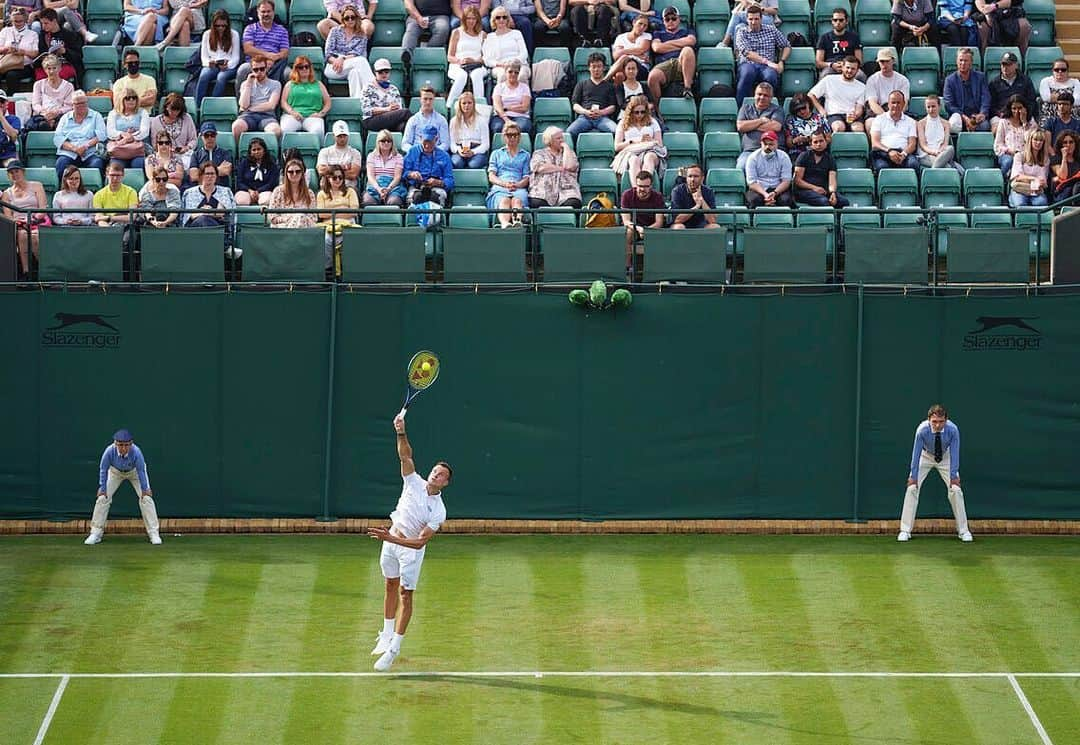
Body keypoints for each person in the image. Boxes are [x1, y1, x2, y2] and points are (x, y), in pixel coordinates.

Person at [366, 413, 451, 673]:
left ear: (446, 483)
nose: (435, 475)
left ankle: (394, 649)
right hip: (391, 540)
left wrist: (388, 537)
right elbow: (405, 456)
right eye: (435, 471)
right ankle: (386, 634)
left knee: (405, 593)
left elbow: (419, 544)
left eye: (441, 475)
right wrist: (400, 432)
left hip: (408, 551)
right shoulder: (412, 481)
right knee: (389, 584)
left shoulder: (439, 511)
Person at [897, 404, 972, 543]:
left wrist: (954, 475)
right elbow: (916, 453)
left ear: (946, 420)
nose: (938, 425)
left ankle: (964, 531)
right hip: (925, 456)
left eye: (941, 421)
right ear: (929, 420)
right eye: (934, 422)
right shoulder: (922, 430)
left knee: (955, 490)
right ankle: (905, 530)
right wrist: (913, 476)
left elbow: (955, 452)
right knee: (912, 488)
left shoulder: (953, 430)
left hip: (946, 457)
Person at [84, 429, 162, 546]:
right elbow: (103, 469)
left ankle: (153, 533)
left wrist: (145, 489)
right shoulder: (109, 451)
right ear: (115, 444)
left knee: (146, 499)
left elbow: (141, 471)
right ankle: (96, 533)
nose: (124, 448)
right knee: (102, 498)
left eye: (126, 445)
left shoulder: (137, 452)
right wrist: (102, 488)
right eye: (121, 445)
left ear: (131, 444)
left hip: (135, 472)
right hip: (115, 472)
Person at [734, 4, 789, 106]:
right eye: (750, 19)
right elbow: (747, 53)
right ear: (746, 19)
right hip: (748, 63)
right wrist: (769, 63)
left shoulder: (771, 30)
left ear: (761, 18)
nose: (753, 22)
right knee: (747, 74)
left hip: (767, 67)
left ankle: (771, 107)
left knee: (771, 76)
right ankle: (740, 107)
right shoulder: (742, 32)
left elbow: (786, 45)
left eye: (756, 19)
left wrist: (782, 62)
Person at [2, 161, 47, 276]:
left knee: (35, 236)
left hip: (37, 221)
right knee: (22, 235)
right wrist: (19, 223)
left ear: (23, 172)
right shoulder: (7, 194)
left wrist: (32, 220)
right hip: (19, 225)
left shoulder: (37, 185)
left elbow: (42, 208)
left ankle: (44, 270)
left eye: (17, 171)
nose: (14, 174)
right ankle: (27, 272)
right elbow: (8, 216)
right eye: (11, 172)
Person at [53, 90, 106, 181]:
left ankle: (93, 192)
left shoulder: (96, 116)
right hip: (69, 153)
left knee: (97, 164)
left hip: (90, 153)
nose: (81, 106)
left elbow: (101, 136)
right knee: (61, 163)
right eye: (78, 104)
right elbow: (58, 139)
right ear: (72, 105)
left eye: (83, 103)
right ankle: (63, 191)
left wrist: (85, 146)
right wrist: (75, 149)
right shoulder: (65, 118)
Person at [324, 4, 374, 99]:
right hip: (333, 68)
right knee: (361, 61)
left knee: (354, 73)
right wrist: (336, 61)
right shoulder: (335, 31)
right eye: (347, 18)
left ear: (357, 18)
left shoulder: (362, 34)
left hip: (350, 65)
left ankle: (357, 103)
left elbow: (358, 53)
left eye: (353, 17)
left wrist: (342, 58)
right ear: (343, 19)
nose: (350, 20)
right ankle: (375, 91)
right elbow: (328, 53)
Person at [611, 94, 665, 181]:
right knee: (634, 160)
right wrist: (634, 141)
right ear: (631, 111)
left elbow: (660, 144)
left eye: (643, 112)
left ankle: (645, 186)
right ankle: (637, 189)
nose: (640, 115)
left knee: (649, 157)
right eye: (636, 112)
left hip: (650, 150)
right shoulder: (623, 123)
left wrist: (650, 140)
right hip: (631, 151)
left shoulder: (653, 122)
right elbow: (617, 146)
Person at [486, 121, 530, 227]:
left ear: (519, 137)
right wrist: (504, 184)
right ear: (504, 136)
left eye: (515, 135)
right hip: (500, 186)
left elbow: (526, 177)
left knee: (517, 201)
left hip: (518, 186)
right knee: (504, 201)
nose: (513, 138)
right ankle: (505, 223)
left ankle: (517, 221)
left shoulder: (526, 155)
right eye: (509, 135)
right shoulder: (496, 154)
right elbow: (491, 176)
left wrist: (517, 185)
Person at [317, 164, 359, 273]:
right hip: (328, 225)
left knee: (351, 238)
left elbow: (354, 211)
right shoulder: (322, 194)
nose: (338, 180)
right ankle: (329, 268)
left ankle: (349, 269)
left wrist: (332, 212)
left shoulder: (350, 191)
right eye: (334, 177)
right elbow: (321, 214)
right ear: (328, 178)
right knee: (326, 240)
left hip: (348, 223)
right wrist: (342, 210)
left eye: (340, 177)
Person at [808, 56, 867, 134]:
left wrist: (855, 115)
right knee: (839, 127)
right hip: (834, 115)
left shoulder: (862, 87)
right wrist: (821, 110)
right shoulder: (829, 79)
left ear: (857, 70)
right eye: (847, 67)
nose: (849, 71)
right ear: (842, 67)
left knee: (858, 129)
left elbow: (859, 107)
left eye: (853, 69)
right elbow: (811, 95)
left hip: (851, 115)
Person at [647, 6, 695, 101]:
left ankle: (687, 89)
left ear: (679, 19)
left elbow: (691, 41)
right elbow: (657, 48)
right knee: (653, 77)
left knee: (687, 50)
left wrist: (666, 45)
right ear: (663, 21)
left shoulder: (687, 31)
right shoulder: (658, 33)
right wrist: (680, 43)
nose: (671, 21)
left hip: (681, 62)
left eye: (673, 18)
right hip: (664, 64)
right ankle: (658, 111)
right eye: (667, 19)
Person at [619, 168, 664, 266]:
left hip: (652, 229)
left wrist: (646, 230)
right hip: (634, 228)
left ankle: (657, 271)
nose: (642, 189)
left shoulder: (658, 197)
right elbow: (626, 221)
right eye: (639, 186)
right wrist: (639, 229)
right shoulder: (627, 195)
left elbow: (659, 222)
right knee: (628, 232)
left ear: (651, 186)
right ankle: (627, 269)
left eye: (645, 186)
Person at [237, 0, 290, 82]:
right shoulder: (250, 28)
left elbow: (285, 52)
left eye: (269, 11)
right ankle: (242, 95)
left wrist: (274, 58)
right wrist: (267, 56)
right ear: (258, 13)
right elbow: (248, 49)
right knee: (243, 69)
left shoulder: (282, 30)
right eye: (263, 12)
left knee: (289, 74)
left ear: (273, 12)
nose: (266, 14)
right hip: (254, 64)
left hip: (275, 64)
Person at [736, 81, 785, 170]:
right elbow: (740, 127)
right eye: (759, 94)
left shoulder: (777, 109)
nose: (762, 97)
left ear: (771, 98)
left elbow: (775, 127)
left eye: (766, 95)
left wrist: (750, 126)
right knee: (741, 167)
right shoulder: (745, 108)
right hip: (750, 151)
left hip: (773, 150)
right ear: (754, 95)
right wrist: (761, 120)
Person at [232, 54, 283, 140]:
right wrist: (248, 84)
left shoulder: (275, 84)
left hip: (267, 116)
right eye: (256, 70)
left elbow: (271, 105)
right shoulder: (245, 83)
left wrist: (250, 108)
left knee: (276, 131)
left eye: (262, 69)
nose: (259, 72)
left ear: (266, 69)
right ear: (252, 70)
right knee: (236, 127)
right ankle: (238, 152)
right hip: (247, 116)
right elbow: (244, 105)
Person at [528, 125, 581, 208]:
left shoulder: (569, 153)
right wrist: (561, 168)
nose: (562, 140)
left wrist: (566, 148)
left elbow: (570, 166)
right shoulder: (539, 153)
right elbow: (540, 168)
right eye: (558, 138)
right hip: (543, 190)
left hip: (566, 189)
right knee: (536, 202)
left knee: (573, 203)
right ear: (550, 141)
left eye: (562, 138)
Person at [280, 55, 332, 139]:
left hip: (312, 116)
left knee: (318, 131)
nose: (304, 69)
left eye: (306, 66)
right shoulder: (290, 84)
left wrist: (320, 114)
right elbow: (283, 102)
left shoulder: (318, 84)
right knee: (285, 130)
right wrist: (292, 112)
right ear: (296, 69)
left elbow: (328, 102)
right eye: (301, 67)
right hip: (293, 116)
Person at [195, 10, 240, 106]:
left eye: (223, 26)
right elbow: (204, 56)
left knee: (221, 77)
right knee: (204, 75)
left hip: (228, 65)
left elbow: (236, 57)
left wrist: (228, 65)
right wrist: (208, 63)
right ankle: (198, 105)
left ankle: (213, 104)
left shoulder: (234, 34)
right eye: (217, 26)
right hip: (212, 64)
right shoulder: (207, 34)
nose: (221, 28)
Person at [793, 130, 849, 207]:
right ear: (811, 144)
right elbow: (797, 180)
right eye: (815, 142)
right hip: (805, 191)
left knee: (843, 202)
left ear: (826, 142)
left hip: (823, 191)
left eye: (821, 141)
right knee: (824, 201)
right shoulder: (804, 156)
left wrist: (832, 193)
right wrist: (814, 188)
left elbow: (832, 179)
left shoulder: (830, 159)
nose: (819, 144)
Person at [568, 52, 617, 139]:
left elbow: (612, 107)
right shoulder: (581, 84)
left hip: (602, 118)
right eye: (593, 67)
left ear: (604, 68)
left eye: (599, 66)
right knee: (570, 132)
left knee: (616, 131)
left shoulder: (609, 86)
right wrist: (585, 112)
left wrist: (601, 112)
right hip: (585, 117)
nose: (596, 69)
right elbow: (575, 105)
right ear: (589, 68)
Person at [403, 125, 455, 206]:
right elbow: (404, 173)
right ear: (420, 138)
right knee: (416, 198)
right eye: (425, 141)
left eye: (430, 142)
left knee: (436, 197)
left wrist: (439, 182)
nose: (427, 145)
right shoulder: (412, 152)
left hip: (437, 188)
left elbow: (450, 180)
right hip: (416, 187)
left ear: (436, 139)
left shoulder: (444, 156)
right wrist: (411, 174)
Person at [944, 47, 990, 134]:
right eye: (960, 60)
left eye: (966, 61)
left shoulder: (981, 77)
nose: (963, 63)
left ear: (971, 63)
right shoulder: (950, 80)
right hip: (960, 115)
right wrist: (964, 117)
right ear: (957, 61)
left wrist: (982, 114)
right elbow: (949, 104)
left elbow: (986, 98)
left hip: (976, 116)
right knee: (954, 124)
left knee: (984, 126)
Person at [870, 90, 919, 172]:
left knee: (913, 165)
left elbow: (912, 144)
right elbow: (875, 143)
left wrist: (903, 154)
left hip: (904, 153)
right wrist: (889, 151)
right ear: (888, 104)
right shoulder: (879, 119)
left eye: (899, 103)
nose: (896, 105)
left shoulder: (911, 121)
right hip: (883, 153)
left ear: (903, 104)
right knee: (882, 167)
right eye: (893, 102)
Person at [446, 6, 486, 107]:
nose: (471, 21)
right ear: (464, 19)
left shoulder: (483, 35)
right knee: (461, 76)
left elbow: (486, 57)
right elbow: (450, 56)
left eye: (474, 18)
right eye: (468, 18)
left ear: (477, 20)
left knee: (477, 75)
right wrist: (460, 61)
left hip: (477, 65)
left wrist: (475, 60)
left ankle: (479, 106)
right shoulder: (457, 32)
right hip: (458, 64)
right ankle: (449, 106)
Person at [988, 52, 1037, 134]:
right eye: (1003, 65)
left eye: (1009, 65)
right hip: (1001, 115)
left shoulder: (1026, 81)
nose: (1005, 67)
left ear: (1016, 65)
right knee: (997, 129)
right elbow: (991, 104)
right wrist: (999, 113)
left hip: (1022, 114)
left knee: (1034, 131)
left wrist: (1024, 113)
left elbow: (1031, 101)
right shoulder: (994, 83)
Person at [744, 130, 792, 207]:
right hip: (759, 189)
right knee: (754, 200)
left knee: (786, 200)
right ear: (761, 143)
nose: (767, 147)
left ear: (777, 144)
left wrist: (775, 193)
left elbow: (786, 181)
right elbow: (752, 183)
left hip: (778, 188)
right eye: (765, 144)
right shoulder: (752, 158)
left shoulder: (784, 157)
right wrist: (765, 194)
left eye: (771, 144)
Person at [360, 58, 411, 133]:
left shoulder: (394, 89)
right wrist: (387, 109)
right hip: (372, 120)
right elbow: (366, 110)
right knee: (406, 113)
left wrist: (394, 108)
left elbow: (399, 108)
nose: (384, 74)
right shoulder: (368, 88)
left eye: (386, 72)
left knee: (403, 126)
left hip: (390, 119)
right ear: (375, 72)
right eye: (380, 72)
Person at [35, 8, 84, 83]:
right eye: (42, 23)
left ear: (54, 21)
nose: (43, 26)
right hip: (48, 65)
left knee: (60, 74)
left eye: (46, 23)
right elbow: (41, 53)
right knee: (41, 75)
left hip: (64, 64)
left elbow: (78, 56)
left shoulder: (69, 35)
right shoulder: (42, 35)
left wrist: (65, 51)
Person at [148, 92, 197, 168]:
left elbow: (193, 139)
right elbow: (154, 144)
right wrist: (166, 150)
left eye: (178, 110)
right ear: (166, 106)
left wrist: (187, 147)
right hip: (164, 156)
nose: (174, 112)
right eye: (172, 109)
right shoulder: (156, 121)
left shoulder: (187, 118)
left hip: (184, 155)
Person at [483, 6, 530, 84]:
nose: (501, 20)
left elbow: (524, 53)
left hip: (519, 65)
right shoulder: (490, 37)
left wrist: (513, 63)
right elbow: (487, 59)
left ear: (508, 19)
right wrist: (500, 64)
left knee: (521, 75)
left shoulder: (517, 33)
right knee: (503, 76)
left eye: (504, 17)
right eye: (498, 17)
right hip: (500, 67)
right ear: (494, 20)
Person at [105, 88, 149, 170]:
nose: (131, 100)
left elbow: (144, 132)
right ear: (122, 100)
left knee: (138, 165)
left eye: (134, 98)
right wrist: (123, 134)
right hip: (118, 151)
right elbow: (110, 132)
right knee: (115, 167)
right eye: (127, 98)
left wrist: (129, 138)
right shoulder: (113, 113)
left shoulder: (143, 112)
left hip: (137, 151)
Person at [993, 94, 1036, 178]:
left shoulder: (1031, 122)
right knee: (1008, 161)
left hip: (1026, 155)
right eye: (1014, 108)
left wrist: (1024, 123)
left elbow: (1031, 141)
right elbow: (998, 145)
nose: (1017, 111)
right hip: (1008, 154)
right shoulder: (1004, 122)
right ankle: (1001, 181)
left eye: (1020, 108)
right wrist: (1010, 151)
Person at [917, 94, 963, 172]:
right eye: (928, 107)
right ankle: (934, 172)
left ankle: (932, 172)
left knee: (950, 148)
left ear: (939, 106)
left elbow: (945, 143)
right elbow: (923, 145)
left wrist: (940, 151)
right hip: (926, 155)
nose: (931, 109)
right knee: (950, 168)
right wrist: (934, 152)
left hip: (941, 153)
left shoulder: (946, 123)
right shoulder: (921, 123)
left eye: (933, 106)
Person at [269, 158, 318, 228]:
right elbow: (272, 216)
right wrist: (291, 218)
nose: (294, 174)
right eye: (291, 172)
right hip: (283, 227)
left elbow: (314, 217)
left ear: (302, 173)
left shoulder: (309, 193)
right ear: (286, 173)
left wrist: (299, 217)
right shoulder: (278, 191)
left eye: (298, 171)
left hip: (305, 226)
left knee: (301, 217)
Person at [817, 6, 864, 81]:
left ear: (846, 21)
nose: (838, 22)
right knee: (825, 76)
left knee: (860, 76)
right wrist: (831, 65)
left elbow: (859, 61)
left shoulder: (854, 37)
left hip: (849, 66)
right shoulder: (824, 38)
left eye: (841, 20)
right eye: (835, 20)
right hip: (831, 67)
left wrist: (846, 65)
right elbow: (818, 62)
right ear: (832, 21)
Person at [181, 160, 234, 225]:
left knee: (205, 220)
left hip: (217, 226)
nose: (210, 176)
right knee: (202, 220)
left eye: (212, 173)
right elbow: (191, 215)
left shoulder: (224, 191)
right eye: (207, 174)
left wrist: (203, 212)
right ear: (201, 176)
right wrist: (209, 213)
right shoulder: (190, 192)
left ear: (216, 176)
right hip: (196, 227)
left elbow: (220, 213)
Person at [364, 127, 407, 206]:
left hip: (393, 186)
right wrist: (379, 189)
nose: (386, 143)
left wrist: (388, 189)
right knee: (368, 202)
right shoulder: (371, 156)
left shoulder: (398, 157)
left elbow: (397, 177)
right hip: (375, 185)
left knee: (394, 202)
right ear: (378, 142)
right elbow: (370, 176)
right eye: (383, 141)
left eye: (389, 141)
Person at [670, 162, 720, 229]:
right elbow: (677, 220)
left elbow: (712, 220)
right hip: (683, 224)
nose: (692, 179)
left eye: (696, 176)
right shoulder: (677, 191)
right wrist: (696, 207)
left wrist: (702, 201)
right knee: (679, 227)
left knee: (715, 227)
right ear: (686, 178)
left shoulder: (708, 191)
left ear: (702, 178)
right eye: (690, 176)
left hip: (701, 225)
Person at [0, 7, 40, 89]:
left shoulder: (33, 34)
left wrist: (23, 52)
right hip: (6, 63)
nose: (18, 23)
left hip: (24, 66)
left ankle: (12, 98)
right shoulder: (5, 31)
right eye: (15, 21)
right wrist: (6, 49)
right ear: (11, 20)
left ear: (25, 20)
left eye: (20, 21)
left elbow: (35, 53)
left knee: (11, 75)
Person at [1008, 128, 1049, 208]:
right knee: (1020, 204)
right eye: (1035, 139)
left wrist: (1042, 182)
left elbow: (1043, 181)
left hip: (1036, 190)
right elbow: (1018, 177)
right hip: (1020, 188)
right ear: (1030, 140)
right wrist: (1034, 179)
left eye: (1041, 140)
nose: (1038, 143)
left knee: (1041, 203)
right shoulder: (1019, 156)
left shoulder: (1045, 160)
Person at [31, 54, 73, 130]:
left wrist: (57, 112)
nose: (51, 71)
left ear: (60, 68)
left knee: (61, 125)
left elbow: (69, 106)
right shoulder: (38, 84)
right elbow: (36, 104)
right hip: (42, 115)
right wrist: (44, 113)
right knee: (42, 125)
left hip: (60, 115)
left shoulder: (69, 86)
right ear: (44, 70)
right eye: (48, 68)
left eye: (54, 68)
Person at [403, 85, 451, 152]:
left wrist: (432, 151)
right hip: (417, 154)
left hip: (435, 155)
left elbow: (445, 144)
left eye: (430, 99)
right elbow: (405, 144)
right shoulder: (413, 120)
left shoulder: (441, 120)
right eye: (425, 99)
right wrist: (417, 151)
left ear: (434, 99)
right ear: (420, 100)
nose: (428, 102)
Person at [449, 91, 490, 168]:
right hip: (460, 149)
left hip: (477, 150)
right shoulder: (454, 121)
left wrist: (473, 152)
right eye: (464, 103)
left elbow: (486, 144)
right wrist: (458, 150)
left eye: (469, 103)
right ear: (460, 105)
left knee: (473, 165)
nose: (466, 105)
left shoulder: (481, 120)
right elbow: (452, 143)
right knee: (457, 163)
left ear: (473, 104)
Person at [234, 135, 279, 205]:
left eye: (259, 149)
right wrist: (250, 191)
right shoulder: (244, 163)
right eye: (254, 150)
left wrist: (258, 191)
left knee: (266, 201)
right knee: (242, 201)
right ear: (250, 152)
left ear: (264, 150)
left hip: (265, 191)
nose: (256, 152)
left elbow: (272, 183)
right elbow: (239, 182)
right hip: (246, 191)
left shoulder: (271, 164)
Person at [864, 48, 909, 118]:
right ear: (878, 62)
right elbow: (872, 103)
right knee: (870, 123)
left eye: (887, 61)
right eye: (882, 61)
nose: (885, 64)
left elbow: (904, 103)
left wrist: (896, 116)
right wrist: (886, 118)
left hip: (897, 110)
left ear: (893, 61)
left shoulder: (902, 80)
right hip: (878, 110)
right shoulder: (872, 80)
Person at [317, 120, 363, 187]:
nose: (342, 138)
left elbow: (353, 174)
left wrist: (330, 170)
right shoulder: (324, 151)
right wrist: (344, 167)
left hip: (348, 187)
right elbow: (321, 170)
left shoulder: (355, 153)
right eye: (339, 136)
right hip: (328, 187)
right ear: (334, 136)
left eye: (344, 135)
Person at [784, 92, 828, 162]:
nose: (801, 111)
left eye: (803, 108)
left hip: (818, 151)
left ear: (809, 105)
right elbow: (788, 143)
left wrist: (815, 140)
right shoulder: (790, 120)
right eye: (798, 109)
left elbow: (828, 138)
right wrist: (795, 141)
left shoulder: (819, 119)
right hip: (797, 153)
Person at [93, 160, 139, 228]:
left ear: (123, 175)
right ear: (107, 175)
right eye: (112, 175)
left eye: (118, 175)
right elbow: (98, 218)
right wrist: (111, 230)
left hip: (126, 227)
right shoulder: (99, 194)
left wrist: (110, 218)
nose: (115, 178)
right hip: (107, 227)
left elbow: (132, 217)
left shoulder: (131, 192)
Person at [608, 15, 651, 85]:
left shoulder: (647, 36)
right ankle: (617, 95)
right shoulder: (621, 37)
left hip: (641, 68)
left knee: (624, 57)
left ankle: (605, 80)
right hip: (624, 67)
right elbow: (616, 56)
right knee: (619, 75)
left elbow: (641, 50)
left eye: (645, 26)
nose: (642, 27)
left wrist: (623, 51)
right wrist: (635, 54)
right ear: (634, 22)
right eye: (640, 24)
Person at [491, 60, 532, 133]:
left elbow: (524, 107)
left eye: (516, 72)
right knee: (498, 128)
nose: (513, 74)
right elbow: (498, 107)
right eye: (510, 72)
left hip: (521, 117)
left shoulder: (525, 87)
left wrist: (507, 108)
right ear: (505, 72)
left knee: (523, 127)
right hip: (501, 117)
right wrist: (507, 120)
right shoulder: (499, 87)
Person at [1037, 59, 1080, 129]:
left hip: (1073, 118)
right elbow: (1046, 98)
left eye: (1063, 70)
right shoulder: (1046, 81)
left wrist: (1054, 98)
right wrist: (1068, 99)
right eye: (1057, 70)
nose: (1060, 72)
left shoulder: (1075, 82)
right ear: (1052, 71)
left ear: (1067, 71)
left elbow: (1077, 101)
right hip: (1049, 117)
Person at [1050, 131, 1080, 203]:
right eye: (1065, 142)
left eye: (1071, 142)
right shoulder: (1056, 159)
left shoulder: (1078, 159)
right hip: (1062, 194)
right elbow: (1063, 176)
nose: (1068, 145)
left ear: (1075, 144)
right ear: (1061, 145)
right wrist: (1064, 157)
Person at [0, 91, 22, 167]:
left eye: (1, 101)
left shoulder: (14, 119)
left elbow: (13, 136)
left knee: (14, 166)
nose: (0, 105)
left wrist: (1, 117)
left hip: (7, 155)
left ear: (6, 104)